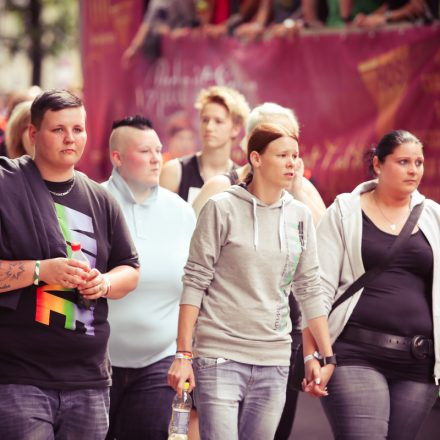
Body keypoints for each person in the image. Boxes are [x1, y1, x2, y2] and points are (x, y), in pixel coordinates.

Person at [167, 122, 334, 440]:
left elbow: (310, 287)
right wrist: (183, 354)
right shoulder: (221, 208)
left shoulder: (299, 217)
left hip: (274, 359)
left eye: (295, 156)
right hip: (219, 354)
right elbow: (194, 282)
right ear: (256, 159)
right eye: (282, 154)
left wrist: (323, 356)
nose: (291, 163)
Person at [0, 90, 140, 439]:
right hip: (20, 377)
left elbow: (130, 268)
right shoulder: (6, 186)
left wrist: (104, 283)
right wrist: (40, 271)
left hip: (89, 380)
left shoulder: (100, 198)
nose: (70, 138)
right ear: (32, 134)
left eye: (78, 129)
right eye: (58, 129)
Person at [315, 130, 440, 439]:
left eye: (419, 162)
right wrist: (319, 355)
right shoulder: (345, 211)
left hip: (418, 361)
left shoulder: (435, 217)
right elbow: (318, 288)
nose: (414, 170)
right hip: (355, 352)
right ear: (378, 164)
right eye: (403, 161)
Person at [101, 115, 196, 440]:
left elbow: (196, 288)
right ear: (118, 157)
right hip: (97, 363)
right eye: (145, 151)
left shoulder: (181, 212)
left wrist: (186, 353)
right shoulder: (92, 204)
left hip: (159, 362)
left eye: (159, 150)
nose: (157, 158)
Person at [160, 85, 250, 203]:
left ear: (236, 129)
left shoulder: (243, 180)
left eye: (218, 121)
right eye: (205, 120)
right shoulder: (175, 171)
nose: (209, 127)